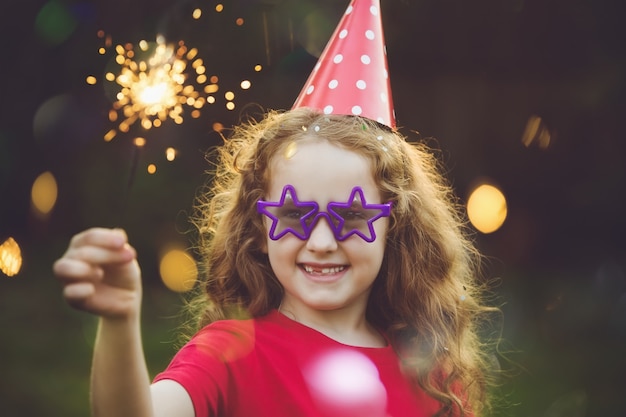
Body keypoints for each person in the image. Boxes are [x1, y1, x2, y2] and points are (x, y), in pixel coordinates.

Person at [53, 107, 499, 417]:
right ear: (259, 231)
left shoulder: (433, 378)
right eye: (294, 215)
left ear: (393, 228)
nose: (321, 242)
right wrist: (118, 319)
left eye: (352, 216)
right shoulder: (228, 355)